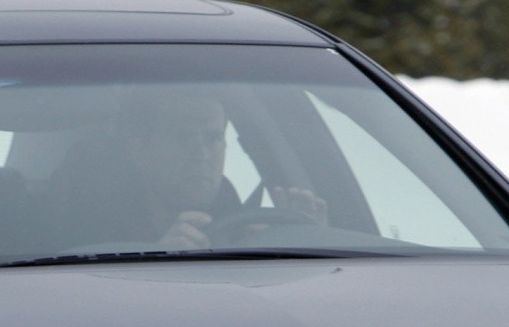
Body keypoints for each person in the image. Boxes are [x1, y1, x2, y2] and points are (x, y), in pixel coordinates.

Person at [56, 86, 327, 250]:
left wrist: (307, 242)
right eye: (182, 137)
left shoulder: (248, 228)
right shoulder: (82, 244)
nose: (201, 153)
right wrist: (153, 262)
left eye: (213, 137)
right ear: (137, 149)